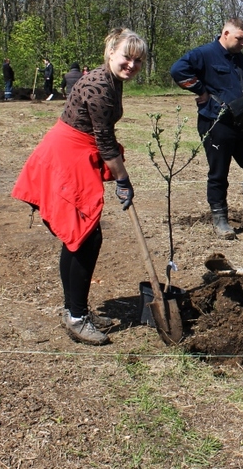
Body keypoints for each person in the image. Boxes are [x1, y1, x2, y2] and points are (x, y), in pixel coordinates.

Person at [12, 28, 146, 345]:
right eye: (127, 57)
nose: (131, 65)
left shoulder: (112, 80)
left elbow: (103, 138)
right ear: (111, 51)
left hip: (76, 151)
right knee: (83, 235)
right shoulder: (100, 85)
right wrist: (123, 180)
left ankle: (76, 309)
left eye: (138, 61)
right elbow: (105, 142)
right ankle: (75, 316)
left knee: (80, 237)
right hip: (66, 156)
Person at [170, 18, 243, 239]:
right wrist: (201, 92)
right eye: (240, 39)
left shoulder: (240, 58)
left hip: (241, 121)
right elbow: (177, 70)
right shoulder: (204, 54)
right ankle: (220, 220)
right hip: (215, 121)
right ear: (225, 33)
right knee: (219, 172)